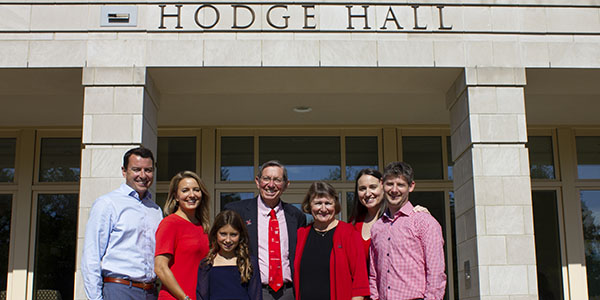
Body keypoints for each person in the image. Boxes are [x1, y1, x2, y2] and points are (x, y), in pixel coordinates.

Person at [81, 147, 163, 300]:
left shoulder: (155, 210)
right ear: (124, 171)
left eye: (148, 170)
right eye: (136, 169)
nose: (143, 175)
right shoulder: (108, 204)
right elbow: (91, 256)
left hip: (150, 292)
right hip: (119, 290)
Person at [225, 160, 306, 300]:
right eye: (266, 179)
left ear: (286, 185)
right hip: (251, 291)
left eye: (277, 180)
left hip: (288, 293)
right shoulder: (237, 212)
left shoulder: (296, 216)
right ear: (257, 181)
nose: (271, 185)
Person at [369, 162, 446, 300]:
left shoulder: (424, 222)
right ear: (382, 184)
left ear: (411, 186)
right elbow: (374, 274)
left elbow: (436, 272)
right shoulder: (377, 228)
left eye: (400, 185)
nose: (394, 190)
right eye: (389, 184)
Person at [294, 181, 369, 300]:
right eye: (318, 203)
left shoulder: (349, 233)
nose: (323, 209)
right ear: (309, 205)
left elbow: (360, 282)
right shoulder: (301, 235)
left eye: (328, 203)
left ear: (335, 205)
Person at [155, 171, 211, 300]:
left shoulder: (203, 227)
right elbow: (160, 267)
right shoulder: (170, 223)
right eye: (185, 190)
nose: (192, 195)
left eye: (196, 190)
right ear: (176, 196)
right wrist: (184, 298)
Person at [349, 168, 429, 258]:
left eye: (373, 187)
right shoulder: (353, 223)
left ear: (383, 187)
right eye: (362, 188)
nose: (367, 193)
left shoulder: (398, 218)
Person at [196, 210, 262, 300]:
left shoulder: (249, 263)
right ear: (215, 234)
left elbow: (256, 296)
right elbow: (202, 296)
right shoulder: (207, 264)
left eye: (233, 235)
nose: (228, 240)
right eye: (223, 234)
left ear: (240, 236)